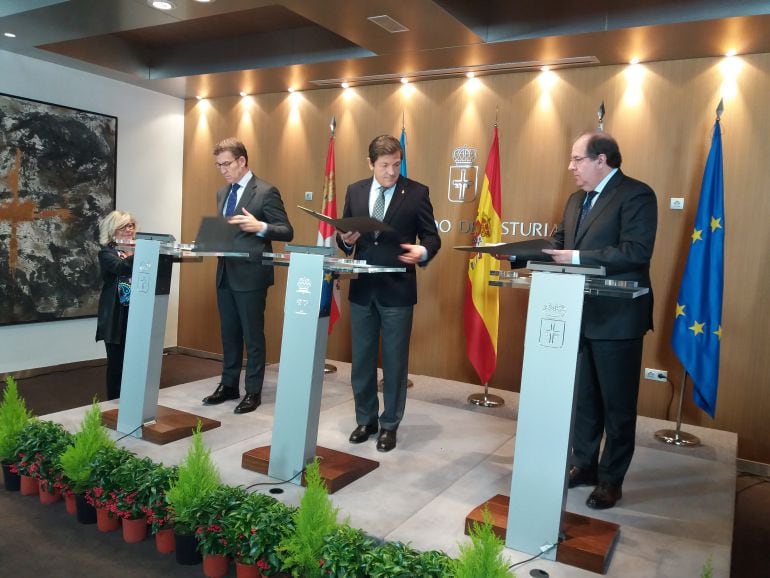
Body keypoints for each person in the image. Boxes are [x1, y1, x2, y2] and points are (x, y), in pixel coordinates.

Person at [504, 131, 657, 509]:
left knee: (617, 406)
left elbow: (635, 252)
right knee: (585, 400)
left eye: (577, 160)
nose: (570, 167)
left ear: (601, 160)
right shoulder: (576, 200)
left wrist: (575, 258)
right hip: (578, 311)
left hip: (618, 318)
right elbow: (558, 242)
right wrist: (515, 254)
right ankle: (584, 464)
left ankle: (610, 479)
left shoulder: (637, 194)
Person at [337, 134, 441, 452]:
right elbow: (345, 239)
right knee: (363, 360)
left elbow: (432, 237)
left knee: (394, 362)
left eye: (396, 164)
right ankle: (366, 419)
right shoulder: (354, 191)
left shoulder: (417, 192)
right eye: (384, 165)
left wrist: (422, 252)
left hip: (398, 289)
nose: (391, 172)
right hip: (363, 290)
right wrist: (348, 241)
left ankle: (390, 424)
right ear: (371, 163)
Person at [201, 137, 294, 414]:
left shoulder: (265, 191)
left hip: (251, 275)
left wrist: (260, 226)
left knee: (252, 336)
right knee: (229, 334)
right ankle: (228, 385)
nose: (223, 170)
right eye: (219, 165)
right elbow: (226, 230)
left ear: (242, 161)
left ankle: (253, 391)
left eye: (227, 164)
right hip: (225, 273)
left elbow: (287, 230)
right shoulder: (222, 193)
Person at [95, 210, 137, 401]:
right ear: (113, 231)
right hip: (116, 316)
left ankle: (133, 400)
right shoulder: (106, 253)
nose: (129, 229)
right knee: (117, 363)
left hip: (138, 313)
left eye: (131, 225)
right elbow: (121, 268)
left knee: (135, 362)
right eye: (124, 226)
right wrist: (140, 253)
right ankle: (114, 403)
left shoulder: (138, 249)